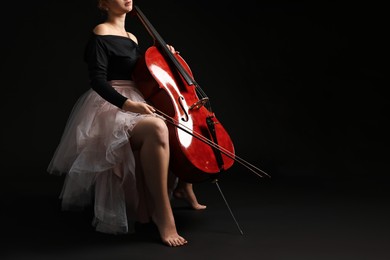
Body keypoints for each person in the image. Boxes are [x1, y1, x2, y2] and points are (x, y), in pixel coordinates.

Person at [47, 0, 206, 247]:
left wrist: (163, 56)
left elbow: (140, 73)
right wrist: (128, 105)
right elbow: (98, 82)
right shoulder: (100, 32)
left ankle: (183, 186)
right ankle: (164, 216)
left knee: (179, 127)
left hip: (137, 98)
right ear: (103, 3)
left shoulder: (132, 37)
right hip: (112, 105)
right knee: (156, 127)